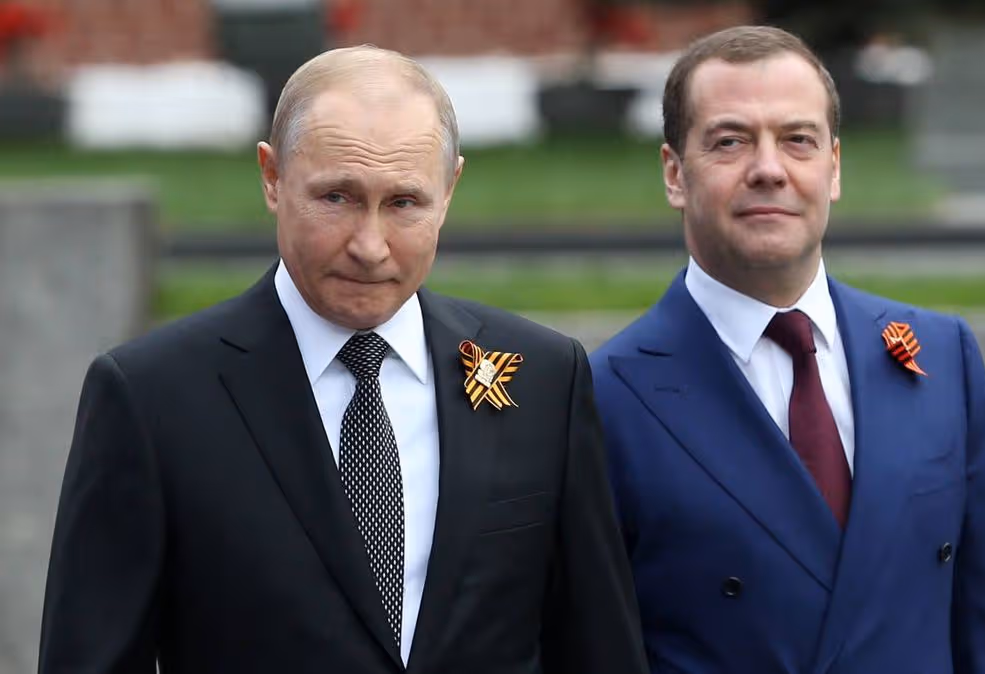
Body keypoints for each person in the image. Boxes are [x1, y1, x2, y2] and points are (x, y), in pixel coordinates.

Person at [40, 45, 648, 674]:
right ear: (272, 178)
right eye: (337, 197)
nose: (369, 245)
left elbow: (597, 646)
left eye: (404, 203)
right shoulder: (153, 397)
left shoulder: (542, 379)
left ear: (449, 190)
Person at [590, 26, 985, 673]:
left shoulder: (942, 358)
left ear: (834, 168)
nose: (768, 169)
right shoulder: (606, 397)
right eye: (729, 141)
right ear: (674, 174)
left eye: (797, 140)